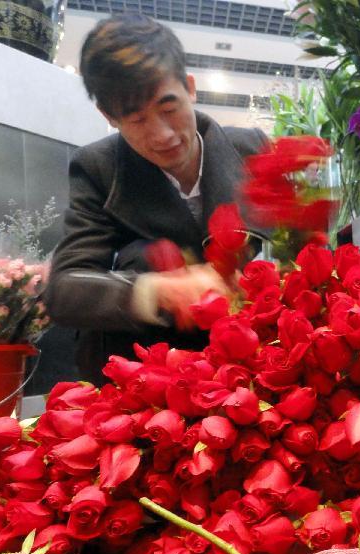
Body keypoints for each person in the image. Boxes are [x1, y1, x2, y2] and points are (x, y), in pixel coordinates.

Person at [44, 14, 267, 383]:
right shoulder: (99, 168)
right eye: (137, 120)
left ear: (190, 88)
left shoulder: (250, 149)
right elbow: (65, 291)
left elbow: (299, 248)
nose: (162, 134)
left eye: (169, 109)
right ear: (109, 117)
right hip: (149, 376)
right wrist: (161, 290)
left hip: (247, 370)